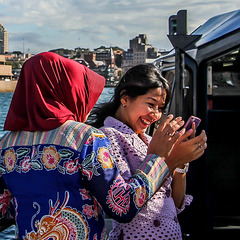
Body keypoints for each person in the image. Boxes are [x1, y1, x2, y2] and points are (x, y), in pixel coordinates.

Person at [0, 53, 201, 240]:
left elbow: (4, 211)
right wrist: (157, 158)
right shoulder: (86, 137)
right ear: (67, 90)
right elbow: (122, 206)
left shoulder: (6, 144)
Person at [91, 64, 207, 240]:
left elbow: (174, 204)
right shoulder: (108, 136)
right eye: (151, 105)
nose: (155, 115)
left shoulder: (150, 140)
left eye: (160, 109)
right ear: (125, 98)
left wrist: (181, 164)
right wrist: (169, 161)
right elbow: (125, 201)